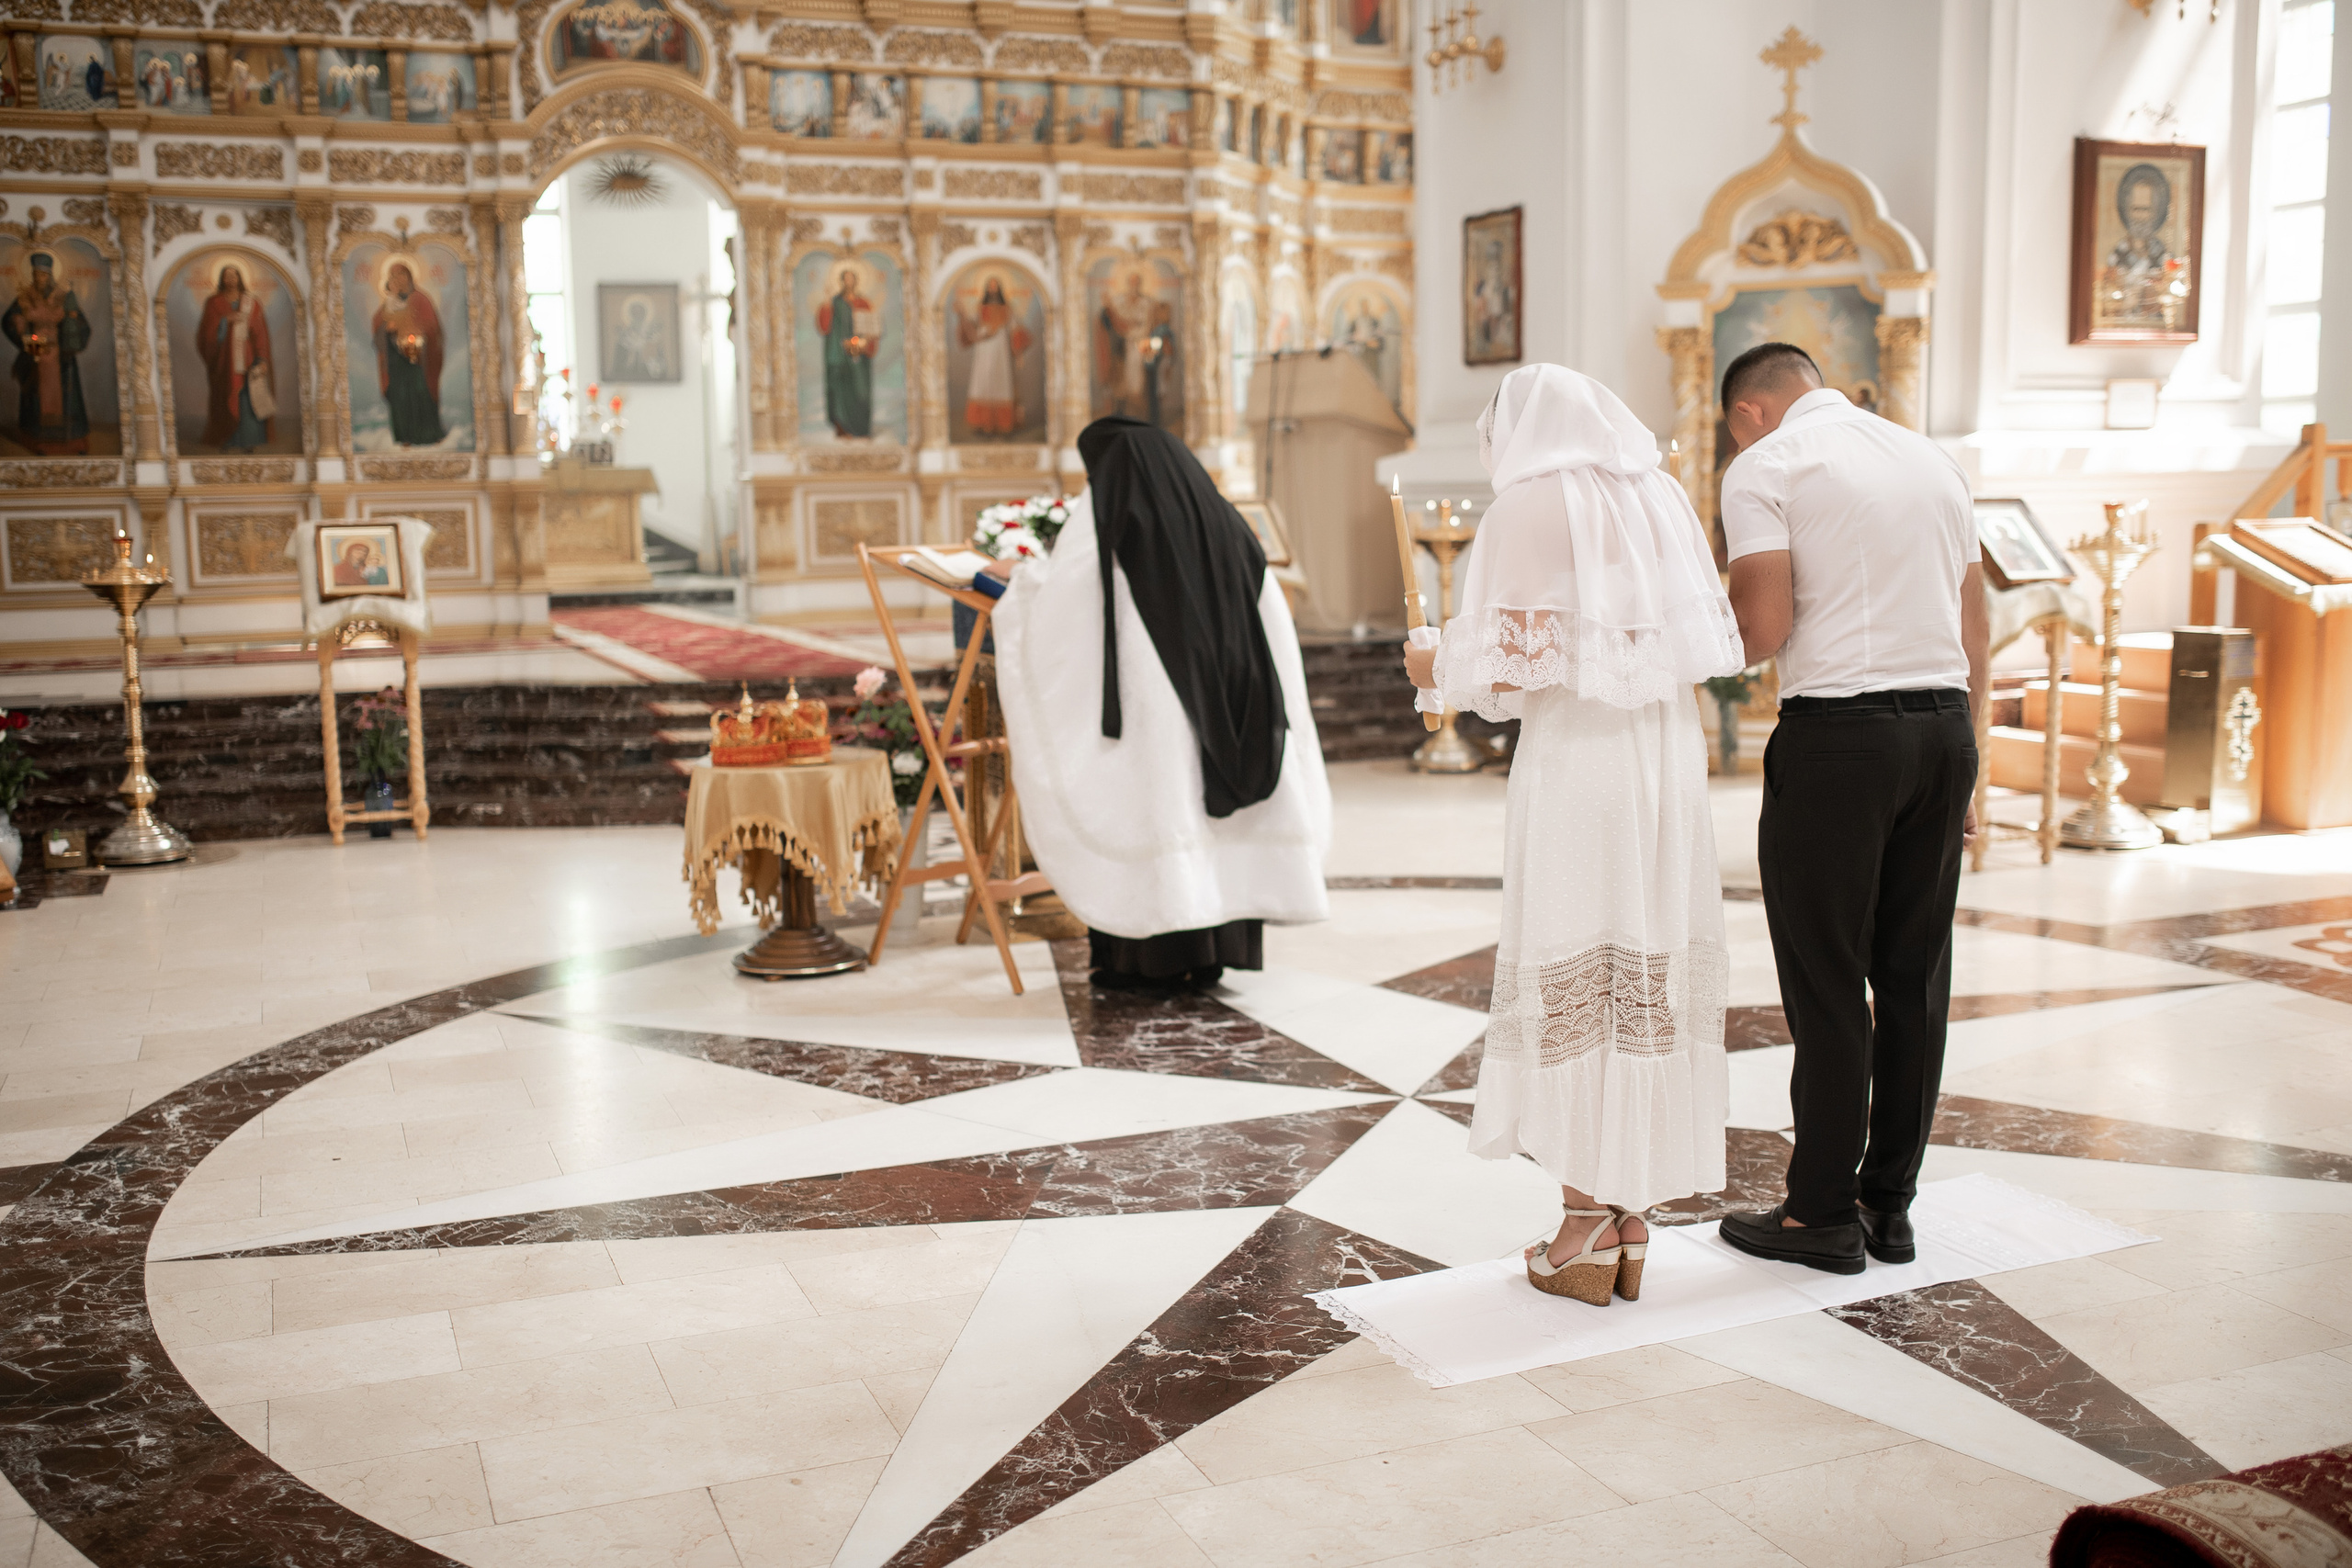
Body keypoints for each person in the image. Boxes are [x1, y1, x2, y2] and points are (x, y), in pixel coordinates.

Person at [1404, 365, 1744, 1305]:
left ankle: (1582, 1221)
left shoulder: (1528, 504)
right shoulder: (1658, 494)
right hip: (1661, 756)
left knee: (1574, 952)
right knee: (1640, 954)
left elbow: (1512, 672)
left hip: (1579, 762)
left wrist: (1434, 663)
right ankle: (1627, 1210)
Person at [1712, 341, 1986, 1276]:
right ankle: (1887, 1206)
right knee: (1914, 978)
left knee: (1826, 979)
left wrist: (1663, 643)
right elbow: (1973, 624)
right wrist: (1973, 763)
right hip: (1943, 732)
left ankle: (1819, 1213)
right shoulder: (1932, 459)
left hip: (1838, 740)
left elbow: (1762, 629)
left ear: (1747, 412)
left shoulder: (1765, 465)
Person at [989, 415, 1329, 987]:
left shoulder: (1111, 515)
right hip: (1237, 705)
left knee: (1162, 804)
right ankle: (1216, 953)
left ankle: (1152, 963)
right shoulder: (1223, 524)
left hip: (1155, 726)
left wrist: (1017, 585)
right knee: (1200, 818)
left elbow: (1060, 603)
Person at [5, 252, 95, 456]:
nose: (40, 279)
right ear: (32, 275)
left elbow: (81, 325)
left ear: (50, 275)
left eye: (43, 275)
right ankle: (38, 441)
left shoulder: (63, 297)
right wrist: (23, 332)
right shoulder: (24, 297)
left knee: (67, 397)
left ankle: (73, 442)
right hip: (36, 350)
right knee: (37, 394)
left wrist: (71, 329)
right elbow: (10, 321)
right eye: (36, 274)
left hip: (61, 354)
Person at [197, 264, 272, 452]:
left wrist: (262, 359)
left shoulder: (251, 303)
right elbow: (206, 334)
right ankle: (226, 439)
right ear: (222, 279)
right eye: (227, 276)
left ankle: (248, 441)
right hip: (224, 362)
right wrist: (224, 321)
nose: (230, 279)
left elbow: (260, 334)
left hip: (248, 359)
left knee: (247, 400)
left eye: (234, 275)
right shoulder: (214, 303)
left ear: (239, 278)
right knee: (225, 397)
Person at [370, 261, 445, 446]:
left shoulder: (421, 299)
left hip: (418, 359)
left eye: (401, 275)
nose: (398, 280)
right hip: (396, 360)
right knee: (400, 397)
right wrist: (388, 328)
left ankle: (429, 434)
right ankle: (404, 436)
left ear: (409, 277)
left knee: (420, 393)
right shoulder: (388, 304)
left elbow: (432, 327)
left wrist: (415, 330)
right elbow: (378, 325)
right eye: (394, 276)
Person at [956, 276, 1024, 437]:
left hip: (1001, 349)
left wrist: (1019, 353)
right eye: (990, 286)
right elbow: (971, 325)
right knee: (983, 381)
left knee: (1002, 382)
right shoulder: (980, 308)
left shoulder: (1007, 309)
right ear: (987, 289)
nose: (993, 289)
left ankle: (1003, 425)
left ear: (999, 289)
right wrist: (961, 314)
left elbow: (1015, 328)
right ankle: (983, 424)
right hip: (984, 349)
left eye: (995, 286)